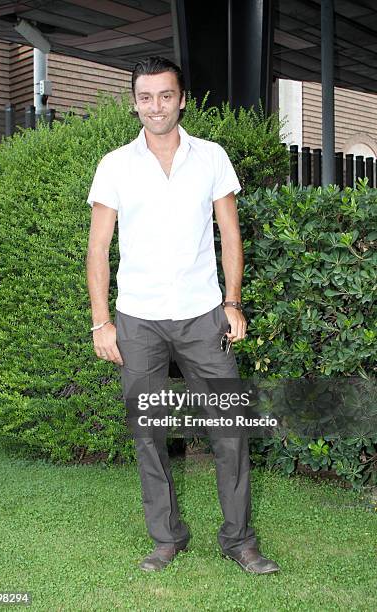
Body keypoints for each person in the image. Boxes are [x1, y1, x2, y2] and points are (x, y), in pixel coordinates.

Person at [86, 56, 280, 575]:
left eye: (166, 95)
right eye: (146, 97)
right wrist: (101, 322)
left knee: (229, 430)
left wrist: (232, 303)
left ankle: (239, 539)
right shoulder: (115, 165)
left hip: (201, 315)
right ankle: (166, 537)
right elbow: (99, 247)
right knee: (149, 432)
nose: (156, 106)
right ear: (134, 103)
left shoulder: (212, 157)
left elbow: (231, 236)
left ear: (182, 99)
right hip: (138, 318)